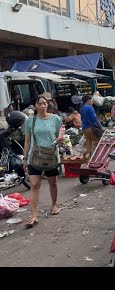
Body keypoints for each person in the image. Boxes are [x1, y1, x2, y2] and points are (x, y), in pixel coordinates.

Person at [22, 96, 63, 228]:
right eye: (40, 104)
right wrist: (25, 158)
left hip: (51, 156)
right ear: (35, 105)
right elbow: (27, 141)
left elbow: (59, 135)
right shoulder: (30, 121)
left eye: (45, 103)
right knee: (34, 185)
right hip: (35, 157)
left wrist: (60, 139)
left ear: (48, 105)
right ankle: (33, 215)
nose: (43, 106)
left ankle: (54, 205)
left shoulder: (56, 119)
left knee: (53, 183)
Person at [80, 95, 104, 159]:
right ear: (89, 100)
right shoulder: (89, 107)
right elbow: (94, 118)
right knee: (97, 142)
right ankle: (98, 157)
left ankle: (88, 157)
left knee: (88, 142)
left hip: (84, 128)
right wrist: (101, 127)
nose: (92, 101)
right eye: (92, 100)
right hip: (91, 128)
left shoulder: (82, 108)